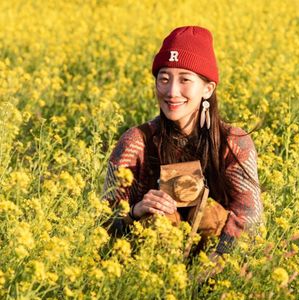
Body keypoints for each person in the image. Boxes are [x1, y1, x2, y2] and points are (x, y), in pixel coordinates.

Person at [102, 26, 263, 262]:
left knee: (208, 213)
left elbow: (251, 218)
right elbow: (104, 219)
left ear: (208, 89)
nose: (172, 91)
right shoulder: (136, 142)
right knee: (159, 219)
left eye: (185, 80)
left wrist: (211, 264)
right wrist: (137, 211)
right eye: (164, 79)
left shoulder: (233, 143)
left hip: (219, 266)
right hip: (145, 267)